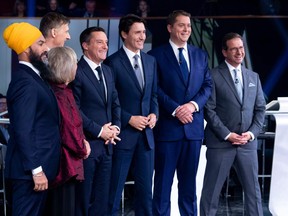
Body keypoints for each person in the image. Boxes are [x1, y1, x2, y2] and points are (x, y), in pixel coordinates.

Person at [148, 10, 212, 215]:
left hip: (193, 131)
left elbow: (207, 85)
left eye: (189, 26)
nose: (186, 29)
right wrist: (176, 109)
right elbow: (154, 88)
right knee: (162, 187)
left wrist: (192, 106)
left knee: (189, 188)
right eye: (181, 25)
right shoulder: (155, 56)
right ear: (170, 28)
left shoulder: (200, 54)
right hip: (168, 131)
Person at [200, 32, 266, 216]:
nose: (239, 52)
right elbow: (209, 109)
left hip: (247, 144)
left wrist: (251, 133)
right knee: (211, 193)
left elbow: (260, 109)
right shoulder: (212, 75)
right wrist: (227, 134)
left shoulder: (253, 77)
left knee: (254, 194)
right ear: (224, 52)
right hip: (221, 143)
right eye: (234, 48)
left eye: (241, 47)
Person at [2, 22, 61, 216]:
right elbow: (22, 130)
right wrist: (37, 171)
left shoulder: (34, 77)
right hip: (29, 173)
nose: (46, 49)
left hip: (38, 171)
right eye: (40, 44)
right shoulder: (24, 82)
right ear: (26, 49)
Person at [104, 14, 158, 216]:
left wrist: (154, 114)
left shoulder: (150, 61)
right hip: (122, 137)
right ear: (124, 34)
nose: (142, 36)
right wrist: (128, 119)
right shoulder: (112, 63)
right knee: (114, 191)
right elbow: (109, 101)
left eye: (144, 32)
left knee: (145, 194)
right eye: (137, 32)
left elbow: (153, 95)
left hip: (146, 138)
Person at [72, 26, 121, 216]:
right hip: (87, 147)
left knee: (102, 200)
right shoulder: (76, 71)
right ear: (85, 45)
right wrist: (100, 131)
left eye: (106, 42)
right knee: (84, 200)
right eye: (99, 42)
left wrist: (115, 128)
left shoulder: (108, 71)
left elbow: (115, 103)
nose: (105, 46)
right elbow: (75, 110)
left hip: (108, 145)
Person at [41, 46, 91, 216]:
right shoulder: (60, 94)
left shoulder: (60, 90)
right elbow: (68, 129)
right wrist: (83, 148)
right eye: (75, 62)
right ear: (66, 66)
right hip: (64, 166)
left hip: (63, 164)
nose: (77, 66)